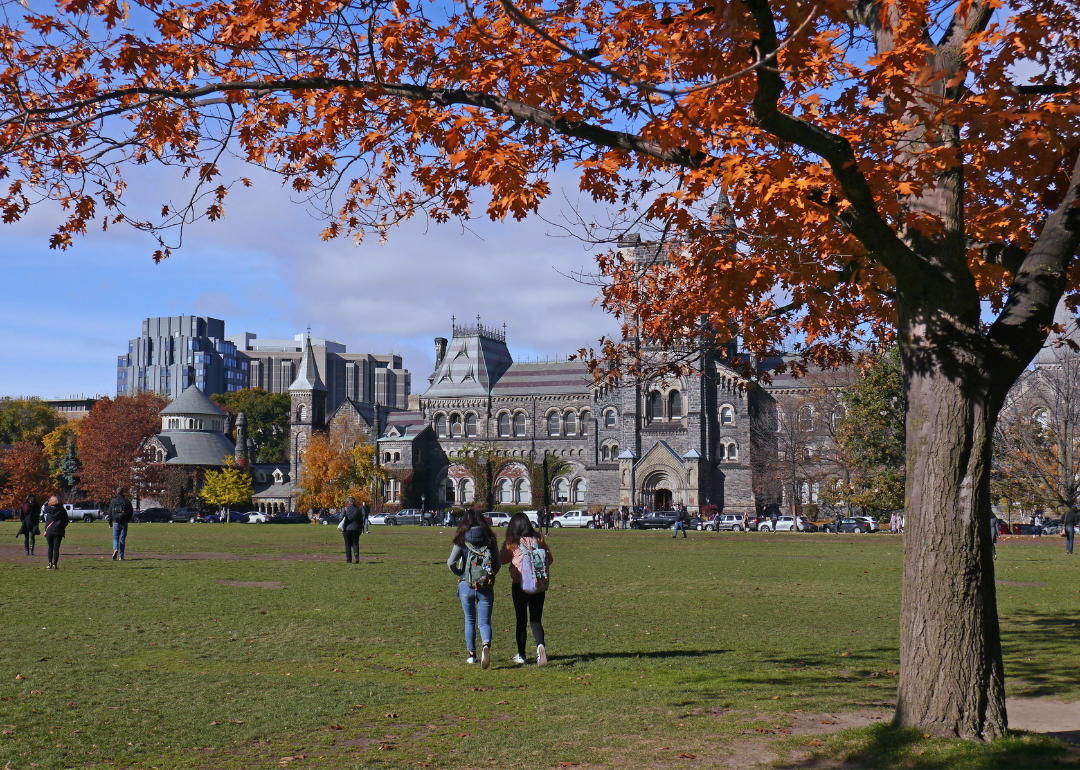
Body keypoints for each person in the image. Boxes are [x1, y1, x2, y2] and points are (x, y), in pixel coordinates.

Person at [447, 510, 500, 668]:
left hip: (466, 583)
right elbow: (497, 563)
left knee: (469, 620)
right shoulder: (490, 538)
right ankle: (485, 645)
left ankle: (471, 655)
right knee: (484, 622)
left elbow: (450, 562)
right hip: (485, 585)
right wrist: (489, 576)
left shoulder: (462, 538)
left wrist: (460, 574)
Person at [501, 512, 553, 666]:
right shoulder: (539, 539)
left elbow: (502, 560)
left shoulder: (512, 542)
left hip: (520, 585)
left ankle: (522, 655)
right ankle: (540, 646)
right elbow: (549, 559)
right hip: (539, 585)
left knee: (521, 620)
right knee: (536, 620)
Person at [42, 495, 68, 570]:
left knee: (50, 547)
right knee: (56, 548)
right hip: (58, 531)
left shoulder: (48, 510)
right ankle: (55, 564)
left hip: (49, 530)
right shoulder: (62, 511)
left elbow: (47, 520)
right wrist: (61, 527)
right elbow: (66, 521)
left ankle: (49, 563)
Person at [108, 487, 134, 561]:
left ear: (116, 492)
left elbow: (110, 512)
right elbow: (131, 511)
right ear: (123, 492)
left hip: (116, 521)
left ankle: (115, 549)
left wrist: (110, 522)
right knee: (122, 538)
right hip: (124, 521)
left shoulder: (113, 501)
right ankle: (121, 556)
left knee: (116, 537)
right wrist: (128, 519)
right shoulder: (126, 501)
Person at [342, 496, 363, 563]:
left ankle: (349, 559)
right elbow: (361, 521)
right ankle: (356, 555)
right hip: (356, 528)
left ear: (348, 502)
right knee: (355, 543)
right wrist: (361, 529)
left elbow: (340, 518)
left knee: (347, 544)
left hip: (347, 529)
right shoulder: (358, 510)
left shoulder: (345, 509)